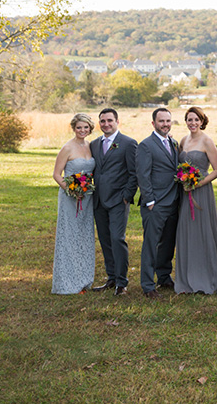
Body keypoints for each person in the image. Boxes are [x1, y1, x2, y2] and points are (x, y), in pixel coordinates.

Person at [174, 106, 217, 295]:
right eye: (189, 120)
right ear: (186, 121)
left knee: (203, 232)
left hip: (201, 192)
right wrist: (184, 181)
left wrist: (197, 184)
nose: (193, 123)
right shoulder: (183, 140)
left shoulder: (207, 141)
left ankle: (206, 278)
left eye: (196, 119)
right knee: (187, 233)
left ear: (202, 121)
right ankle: (187, 278)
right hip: (184, 192)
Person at [90, 108, 138, 296]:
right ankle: (111, 277)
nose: (106, 124)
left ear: (117, 121)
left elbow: (134, 173)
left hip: (119, 200)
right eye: (102, 121)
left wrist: (126, 195)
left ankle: (122, 282)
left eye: (110, 120)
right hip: (98, 201)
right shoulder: (94, 144)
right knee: (105, 240)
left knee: (117, 239)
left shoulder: (128, 143)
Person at [136, 107, 181, 298]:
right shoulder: (146, 145)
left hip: (174, 201)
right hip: (156, 204)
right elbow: (143, 175)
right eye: (161, 121)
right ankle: (147, 285)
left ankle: (164, 276)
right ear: (153, 123)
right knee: (151, 244)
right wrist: (150, 201)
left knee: (168, 243)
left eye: (168, 121)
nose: (165, 124)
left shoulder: (174, 142)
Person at [51, 113, 97, 294]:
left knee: (84, 237)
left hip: (87, 198)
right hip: (70, 199)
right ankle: (67, 281)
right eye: (79, 127)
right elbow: (56, 174)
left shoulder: (91, 146)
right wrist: (70, 189)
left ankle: (84, 279)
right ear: (74, 128)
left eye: (86, 127)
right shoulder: (67, 148)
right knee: (69, 237)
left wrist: (83, 191)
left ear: (90, 128)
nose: (82, 130)